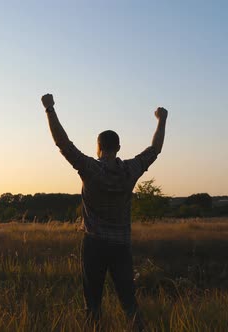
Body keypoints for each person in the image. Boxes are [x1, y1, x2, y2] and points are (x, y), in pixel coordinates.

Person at [41, 93, 168, 330]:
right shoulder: (131, 170)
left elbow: (63, 143)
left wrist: (50, 109)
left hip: (94, 245)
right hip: (121, 246)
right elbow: (155, 149)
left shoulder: (91, 169)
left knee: (93, 305)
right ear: (118, 148)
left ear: (98, 147)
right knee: (129, 304)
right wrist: (162, 120)